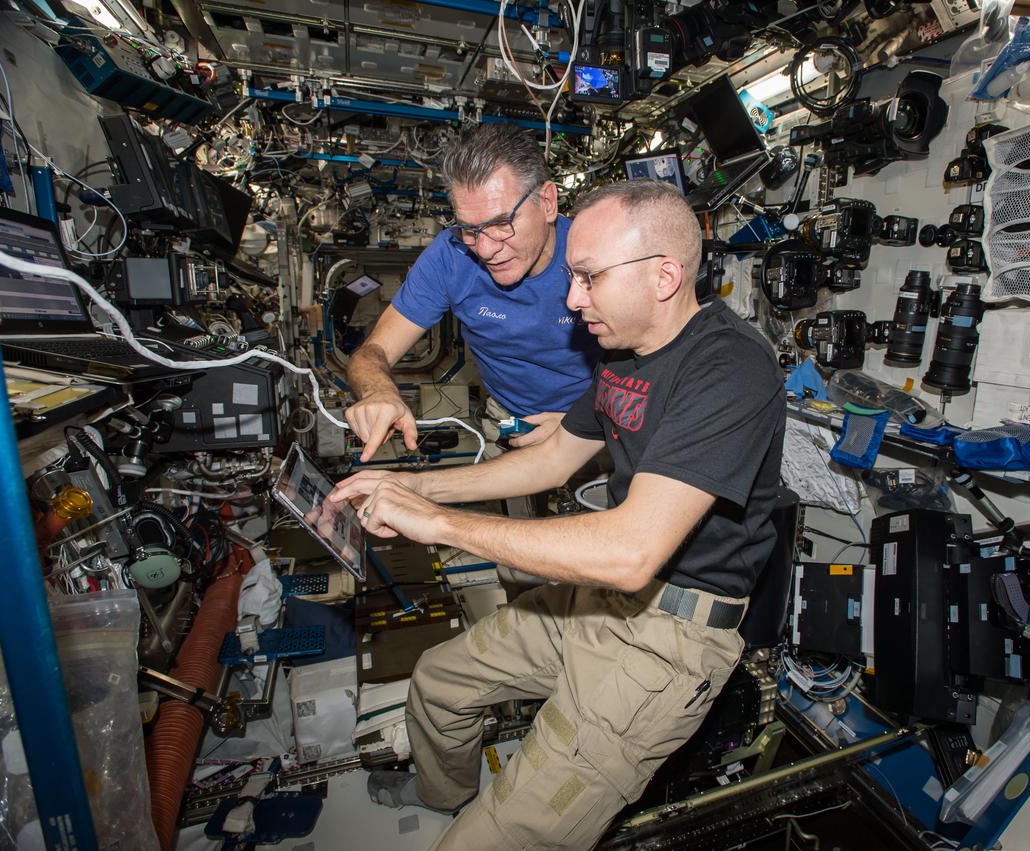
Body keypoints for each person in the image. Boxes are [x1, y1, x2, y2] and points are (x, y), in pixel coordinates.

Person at [328, 179, 785, 849]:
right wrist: (417, 491)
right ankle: (445, 792)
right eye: (573, 277)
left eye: (588, 278)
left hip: (667, 643)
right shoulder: (624, 356)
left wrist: (440, 526)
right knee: (438, 680)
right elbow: (549, 463)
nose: (572, 300)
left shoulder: (729, 366)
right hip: (595, 606)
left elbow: (631, 552)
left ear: (663, 276)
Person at [345, 123, 599, 463]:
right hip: (510, 420)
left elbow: (655, 365)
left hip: (599, 419)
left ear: (548, 202)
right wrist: (379, 391)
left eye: (500, 223)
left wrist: (586, 423)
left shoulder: (596, 253)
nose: (485, 248)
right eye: (469, 229)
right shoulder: (450, 258)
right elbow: (372, 353)